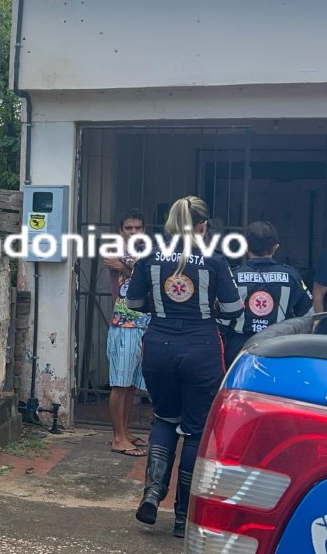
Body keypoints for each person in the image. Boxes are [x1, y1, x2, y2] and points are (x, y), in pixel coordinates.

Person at [125, 196, 244, 538]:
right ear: (204, 226)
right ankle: (183, 516)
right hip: (202, 349)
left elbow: (133, 303)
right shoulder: (215, 260)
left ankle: (152, 492)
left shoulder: (149, 255)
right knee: (194, 430)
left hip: (158, 346)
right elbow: (235, 310)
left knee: (164, 417)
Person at [218, 221, 314, 365]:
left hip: (240, 347)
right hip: (279, 347)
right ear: (275, 247)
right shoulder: (292, 276)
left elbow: (222, 319)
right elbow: (308, 317)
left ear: (245, 247)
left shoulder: (234, 276)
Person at [102, 209, 149, 456]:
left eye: (137, 228)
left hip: (143, 323)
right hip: (124, 324)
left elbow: (148, 279)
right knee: (120, 383)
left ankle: (126, 431)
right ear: (121, 230)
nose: (133, 232)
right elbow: (141, 274)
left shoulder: (147, 252)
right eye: (128, 228)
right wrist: (131, 269)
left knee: (131, 384)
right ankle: (118, 438)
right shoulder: (115, 248)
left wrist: (126, 269)